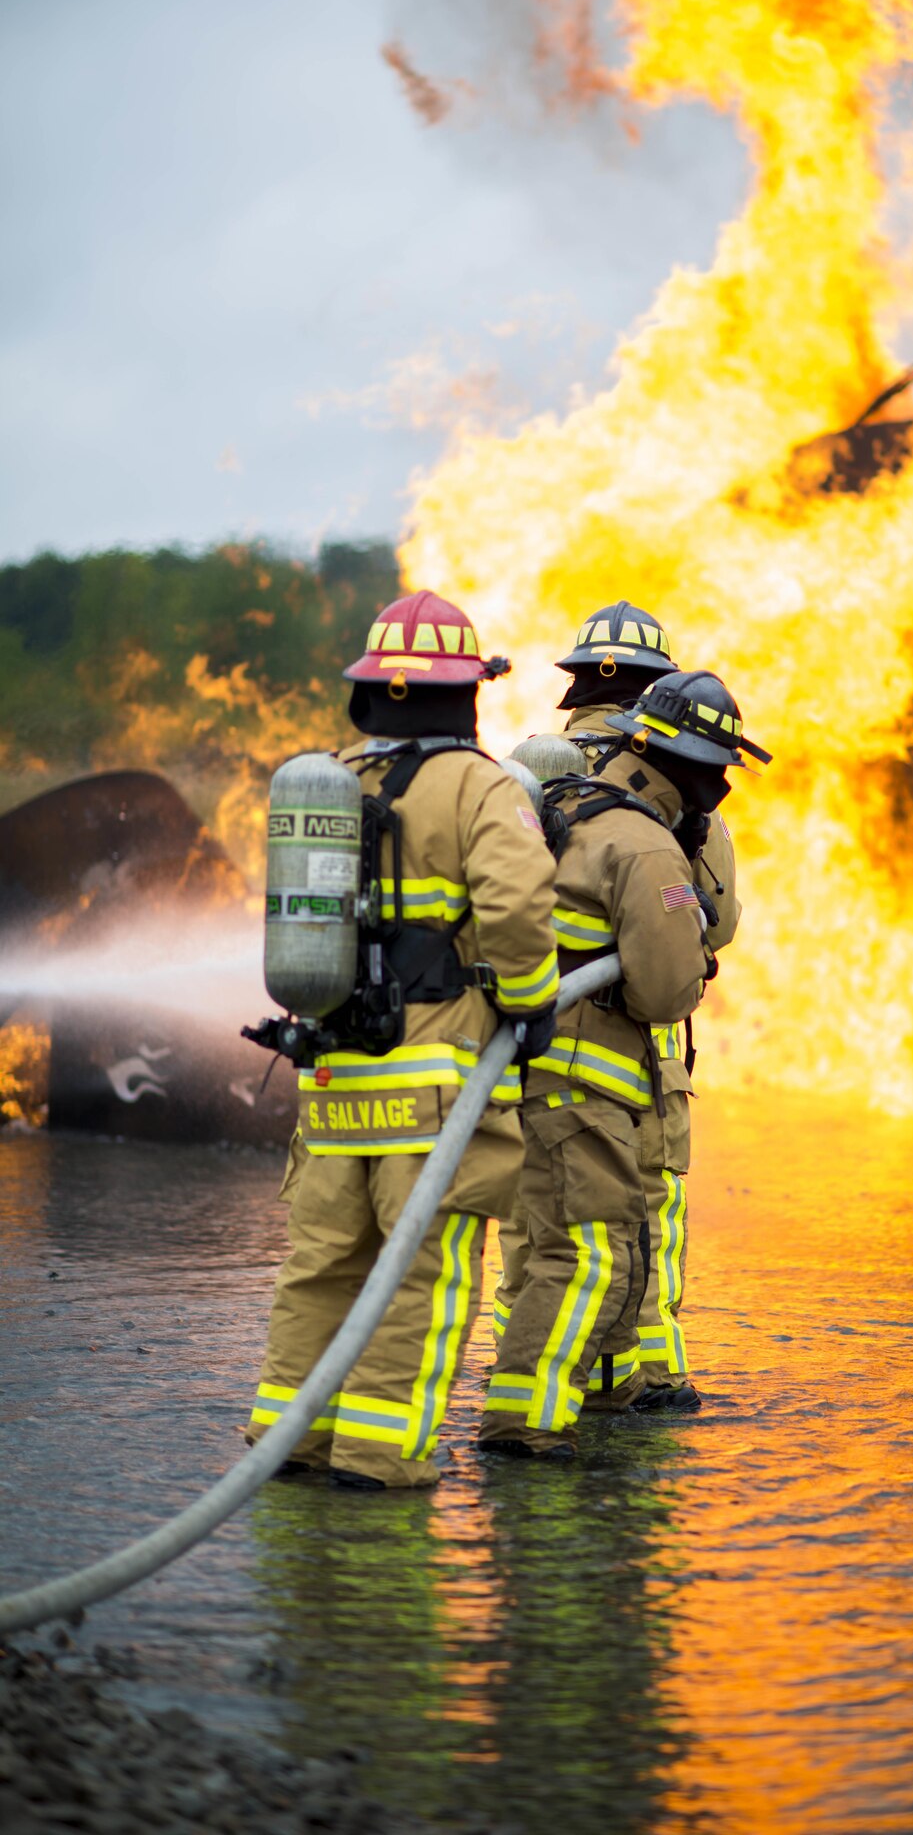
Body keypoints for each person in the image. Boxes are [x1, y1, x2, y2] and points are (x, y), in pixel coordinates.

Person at [245, 589, 559, 1490]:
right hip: (437, 1095)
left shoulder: (330, 786)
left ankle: (290, 1443)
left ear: (370, 694)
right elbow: (516, 907)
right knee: (421, 1277)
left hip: (337, 1086)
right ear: (466, 695)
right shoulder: (482, 786)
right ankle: (381, 1461)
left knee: (320, 1269)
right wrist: (530, 1002)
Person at [481, 667, 769, 1458]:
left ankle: (548, 1408)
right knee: (589, 1255)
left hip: (520, 1078)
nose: (718, 792)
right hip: (585, 1089)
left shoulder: (559, 808)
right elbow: (667, 988)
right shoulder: (643, 843)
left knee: (545, 1249)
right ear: (686, 765)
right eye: (715, 772)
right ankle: (526, 1423)